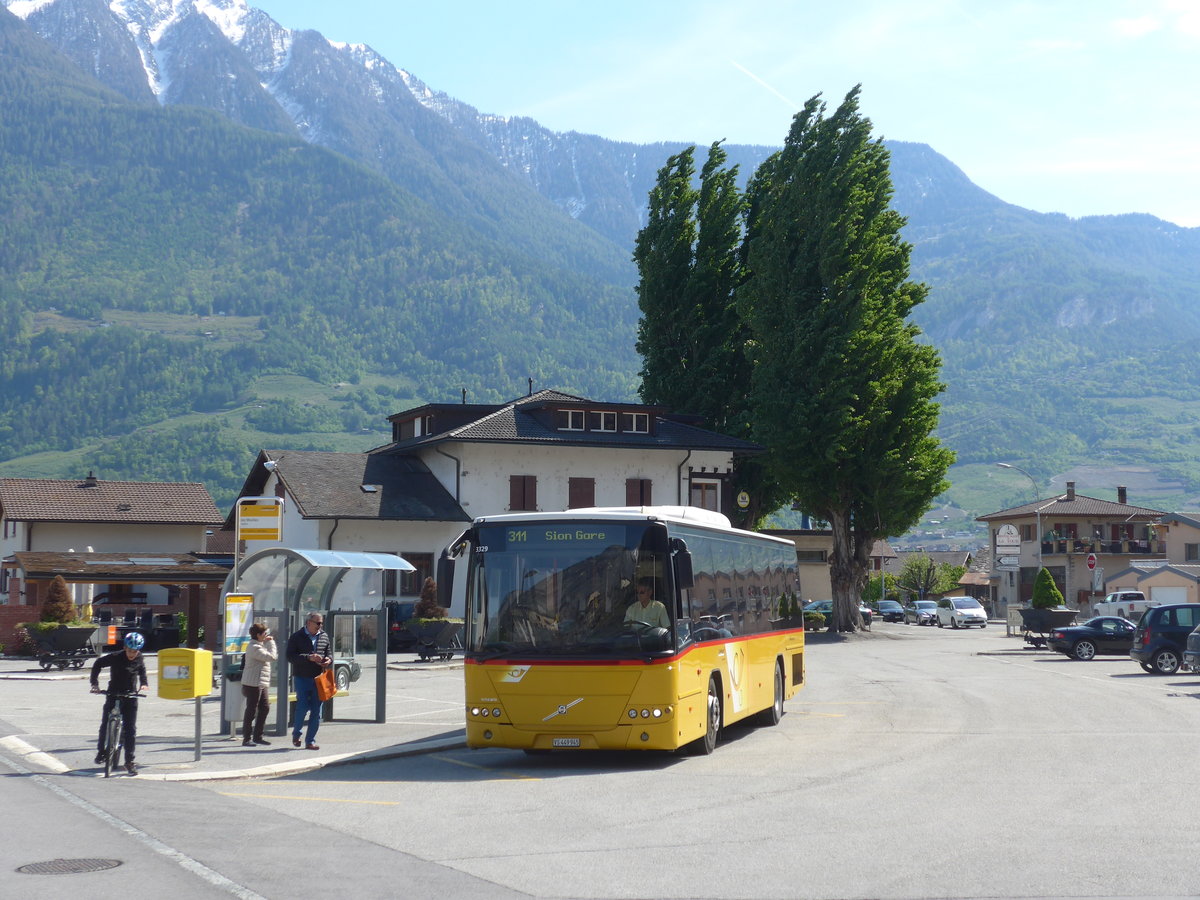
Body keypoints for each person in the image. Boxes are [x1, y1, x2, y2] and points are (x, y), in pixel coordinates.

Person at [90, 631, 149, 775]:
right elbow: (97, 664)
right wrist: (95, 684)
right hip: (113, 693)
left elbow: (142, 671)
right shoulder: (116, 657)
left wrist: (144, 684)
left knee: (131, 729)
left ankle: (129, 761)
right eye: (129, 651)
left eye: (134, 651)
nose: (131, 654)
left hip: (130, 696)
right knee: (105, 724)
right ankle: (102, 752)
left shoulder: (139, 658)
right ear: (124, 648)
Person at [285, 612, 332, 750]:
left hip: (319, 678)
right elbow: (290, 656)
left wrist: (328, 660)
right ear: (309, 622)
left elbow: (329, 653)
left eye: (321, 623)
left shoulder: (324, 636)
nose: (320, 626)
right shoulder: (296, 637)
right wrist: (308, 658)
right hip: (302, 677)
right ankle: (296, 734)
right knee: (303, 706)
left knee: (317, 710)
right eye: (318, 623)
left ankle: (310, 741)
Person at [240, 622, 277, 747]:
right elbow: (272, 657)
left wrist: (266, 642)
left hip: (261, 682)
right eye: (264, 633)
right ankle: (246, 738)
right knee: (251, 710)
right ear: (258, 635)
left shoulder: (259, 645)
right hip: (253, 684)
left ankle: (258, 736)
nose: (266, 635)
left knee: (265, 707)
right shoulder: (254, 647)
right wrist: (271, 642)